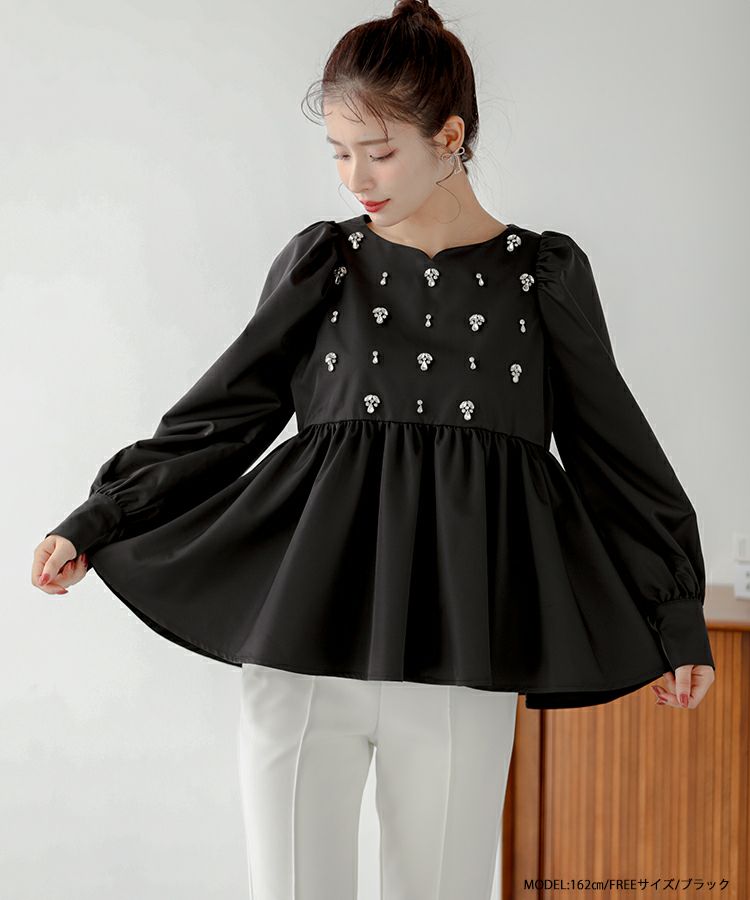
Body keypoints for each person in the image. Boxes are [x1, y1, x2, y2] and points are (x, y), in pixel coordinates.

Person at [31, 0, 716, 897]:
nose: (356, 177)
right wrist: (101, 518)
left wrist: (674, 615)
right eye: (339, 152)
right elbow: (222, 417)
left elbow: (611, 451)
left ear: (450, 136)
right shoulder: (325, 265)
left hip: (465, 648)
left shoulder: (541, 278)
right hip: (304, 644)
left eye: (380, 150)